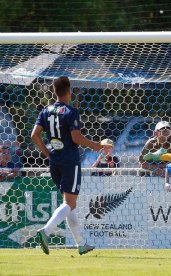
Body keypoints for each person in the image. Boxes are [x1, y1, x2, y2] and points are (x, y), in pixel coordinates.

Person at [31, 76, 103, 255]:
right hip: (70, 161)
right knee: (70, 203)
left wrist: (48, 153)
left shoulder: (45, 111)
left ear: (54, 92)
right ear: (69, 91)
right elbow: (76, 137)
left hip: (55, 162)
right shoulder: (71, 111)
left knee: (69, 204)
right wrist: (96, 145)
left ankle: (81, 243)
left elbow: (34, 135)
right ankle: (46, 231)